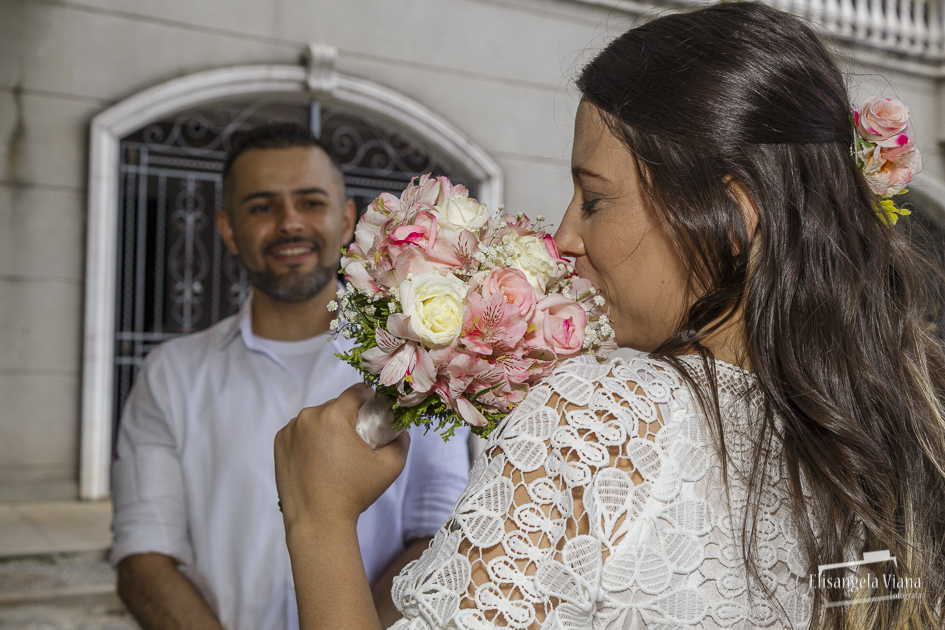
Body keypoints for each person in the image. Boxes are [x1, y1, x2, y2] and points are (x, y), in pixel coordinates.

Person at [274, 4, 945, 630]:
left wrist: (319, 517)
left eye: (594, 199)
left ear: (733, 216)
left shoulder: (603, 417)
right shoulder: (892, 433)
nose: (565, 237)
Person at [109, 122, 471, 629]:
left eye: (310, 202)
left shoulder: (417, 366)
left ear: (346, 221)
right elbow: (143, 553)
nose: (289, 223)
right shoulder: (169, 375)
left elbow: (439, 538)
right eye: (262, 207)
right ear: (228, 229)